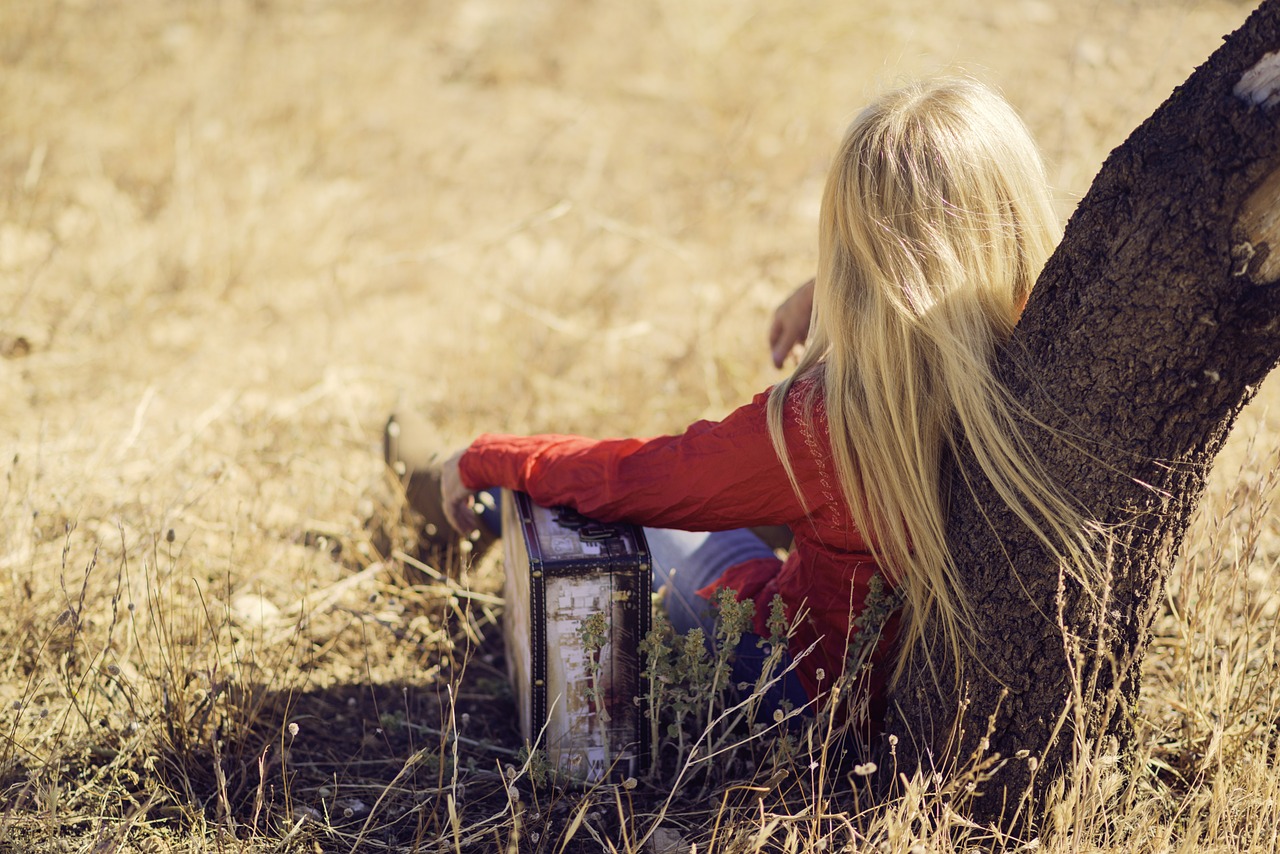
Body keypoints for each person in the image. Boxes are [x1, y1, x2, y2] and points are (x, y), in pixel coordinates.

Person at [433, 78, 1098, 733]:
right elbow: (964, 271)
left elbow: (638, 479)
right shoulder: (1062, 346)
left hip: (801, 686)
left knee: (673, 525)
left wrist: (488, 453)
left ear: (846, 235)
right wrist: (831, 291)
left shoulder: (823, 424)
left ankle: (465, 489)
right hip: (909, 701)